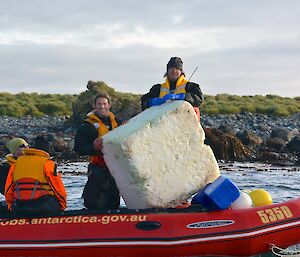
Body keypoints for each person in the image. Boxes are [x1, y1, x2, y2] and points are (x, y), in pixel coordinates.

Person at [74, 93, 120, 210]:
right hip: (97, 169)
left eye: (104, 104)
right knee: (94, 203)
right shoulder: (86, 126)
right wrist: (93, 148)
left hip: (115, 169)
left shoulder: (117, 122)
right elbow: (79, 148)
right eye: (99, 104)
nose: (102, 107)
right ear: (94, 106)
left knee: (114, 202)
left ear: (109, 105)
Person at [5, 136, 67, 215]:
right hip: (44, 207)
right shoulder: (47, 164)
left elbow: (8, 189)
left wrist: (11, 207)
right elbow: (58, 188)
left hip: (20, 207)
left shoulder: (15, 165)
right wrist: (62, 207)